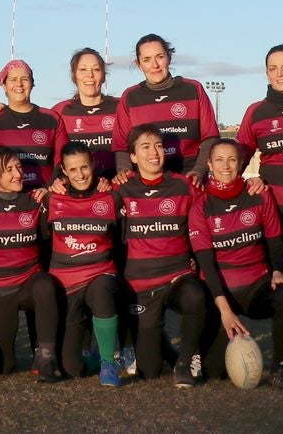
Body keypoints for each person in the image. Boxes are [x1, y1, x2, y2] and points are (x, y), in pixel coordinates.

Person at [210, 41, 283, 385]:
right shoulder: (256, 113)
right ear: (266, 73)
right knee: (279, 288)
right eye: (273, 68)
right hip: (271, 215)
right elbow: (236, 157)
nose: (280, 73)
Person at [197, 138, 283, 391]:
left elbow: (275, 240)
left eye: (232, 159)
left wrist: (277, 272)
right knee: (214, 372)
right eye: (219, 160)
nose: (226, 166)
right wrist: (224, 310)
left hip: (255, 286)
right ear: (209, 163)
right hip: (221, 294)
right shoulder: (200, 204)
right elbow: (206, 263)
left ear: (241, 163)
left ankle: (281, 367)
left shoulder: (258, 194)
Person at [117, 125, 213, 385]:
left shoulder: (184, 186)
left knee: (195, 295)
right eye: (145, 147)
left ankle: (186, 360)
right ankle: (167, 352)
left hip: (176, 276)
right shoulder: (121, 190)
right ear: (133, 157)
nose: (154, 152)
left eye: (158, 145)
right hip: (140, 284)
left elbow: (208, 216)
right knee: (148, 369)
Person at [0, 146, 63, 380]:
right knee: (0, 368)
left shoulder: (35, 200)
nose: (18, 174)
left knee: (45, 284)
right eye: (9, 170)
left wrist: (53, 192)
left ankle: (46, 356)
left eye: (19, 167)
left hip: (29, 284)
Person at [45, 141, 123, 386]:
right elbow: (43, 241)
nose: (80, 174)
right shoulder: (51, 200)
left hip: (100, 274)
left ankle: (109, 362)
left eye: (85, 167)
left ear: (93, 166)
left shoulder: (110, 197)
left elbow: (123, 243)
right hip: (67, 284)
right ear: (64, 172)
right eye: (73, 169)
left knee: (102, 289)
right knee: (72, 368)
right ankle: (94, 351)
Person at [112, 34, 218, 180]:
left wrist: (199, 171)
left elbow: (210, 137)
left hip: (189, 180)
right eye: (147, 60)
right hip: (146, 183)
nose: (154, 65)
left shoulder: (193, 89)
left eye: (160, 57)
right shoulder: (130, 97)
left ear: (169, 57)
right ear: (139, 64)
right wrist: (125, 172)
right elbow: (121, 144)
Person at [0, 60, 60, 193]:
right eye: (13, 79)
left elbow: (62, 162)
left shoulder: (51, 119)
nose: (19, 84)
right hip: (0, 207)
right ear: (4, 85)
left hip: (41, 202)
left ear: (32, 83)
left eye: (25, 79)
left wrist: (49, 190)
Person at [52, 48, 120, 181]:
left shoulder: (120, 107)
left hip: (113, 190)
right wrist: (2, 108)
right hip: (78, 192)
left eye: (96, 69)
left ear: (104, 76)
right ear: (74, 75)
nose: (90, 75)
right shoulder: (60, 111)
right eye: (83, 69)